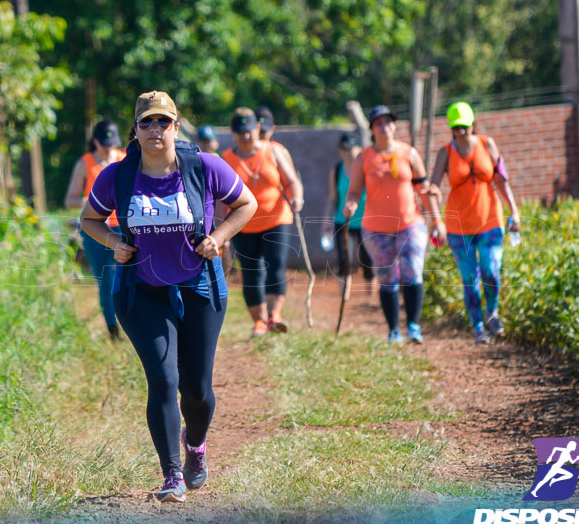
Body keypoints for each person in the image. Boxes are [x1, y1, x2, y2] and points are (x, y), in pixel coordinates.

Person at [80, 91, 256, 503]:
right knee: (163, 379)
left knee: (196, 390)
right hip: (142, 290)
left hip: (199, 285)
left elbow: (246, 203)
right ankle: (172, 474)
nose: (155, 129)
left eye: (164, 122)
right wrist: (113, 242)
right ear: (135, 131)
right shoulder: (118, 176)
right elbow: (88, 220)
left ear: (176, 127)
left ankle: (195, 445)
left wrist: (218, 237)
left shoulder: (203, 167)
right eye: (147, 122)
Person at [343, 105, 442, 344]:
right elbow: (354, 191)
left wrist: (438, 220)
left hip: (410, 223)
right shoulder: (364, 158)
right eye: (378, 123)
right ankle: (393, 331)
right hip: (376, 228)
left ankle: (413, 326)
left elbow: (424, 189)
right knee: (387, 277)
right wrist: (351, 204)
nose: (384, 127)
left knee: (412, 271)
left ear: (394, 125)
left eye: (388, 122)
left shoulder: (409, 153)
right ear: (372, 129)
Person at [429, 102, 521, 344]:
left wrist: (515, 211)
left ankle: (492, 313)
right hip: (458, 227)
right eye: (456, 127)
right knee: (470, 279)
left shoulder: (486, 144)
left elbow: (501, 179)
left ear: (473, 124)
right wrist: (435, 217)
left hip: (490, 219)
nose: (461, 131)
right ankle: (477, 327)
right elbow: (434, 187)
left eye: (464, 126)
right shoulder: (445, 153)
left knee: (491, 271)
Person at [221, 107, 304, 337]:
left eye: (249, 130)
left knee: (275, 265)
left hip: (277, 219)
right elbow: (220, 196)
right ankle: (258, 321)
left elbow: (291, 181)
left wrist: (297, 197)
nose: (246, 136)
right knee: (251, 272)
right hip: (242, 224)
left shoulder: (273, 151)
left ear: (258, 128)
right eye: (240, 131)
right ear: (233, 132)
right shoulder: (226, 158)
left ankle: (274, 316)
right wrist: (221, 229)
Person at [64, 119, 127, 340]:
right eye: (104, 144)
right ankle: (112, 328)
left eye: (112, 143)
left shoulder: (124, 159)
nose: (108, 148)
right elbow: (70, 199)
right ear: (95, 142)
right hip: (94, 228)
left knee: (127, 277)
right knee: (105, 280)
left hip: (122, 227)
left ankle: (131, 323)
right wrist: (92, 202)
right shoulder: (85, 164)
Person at [324, 132, 375, 299]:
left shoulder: (366, 169)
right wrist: (326, 219)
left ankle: (370, 297)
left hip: (365, 222)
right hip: (342, 221)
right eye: (343, 148)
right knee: (343, 260)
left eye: (350, 148)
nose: (347, 152)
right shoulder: (337, 170)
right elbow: (332, 197)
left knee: (367, 260)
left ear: (358, 149)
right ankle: (344, 298)